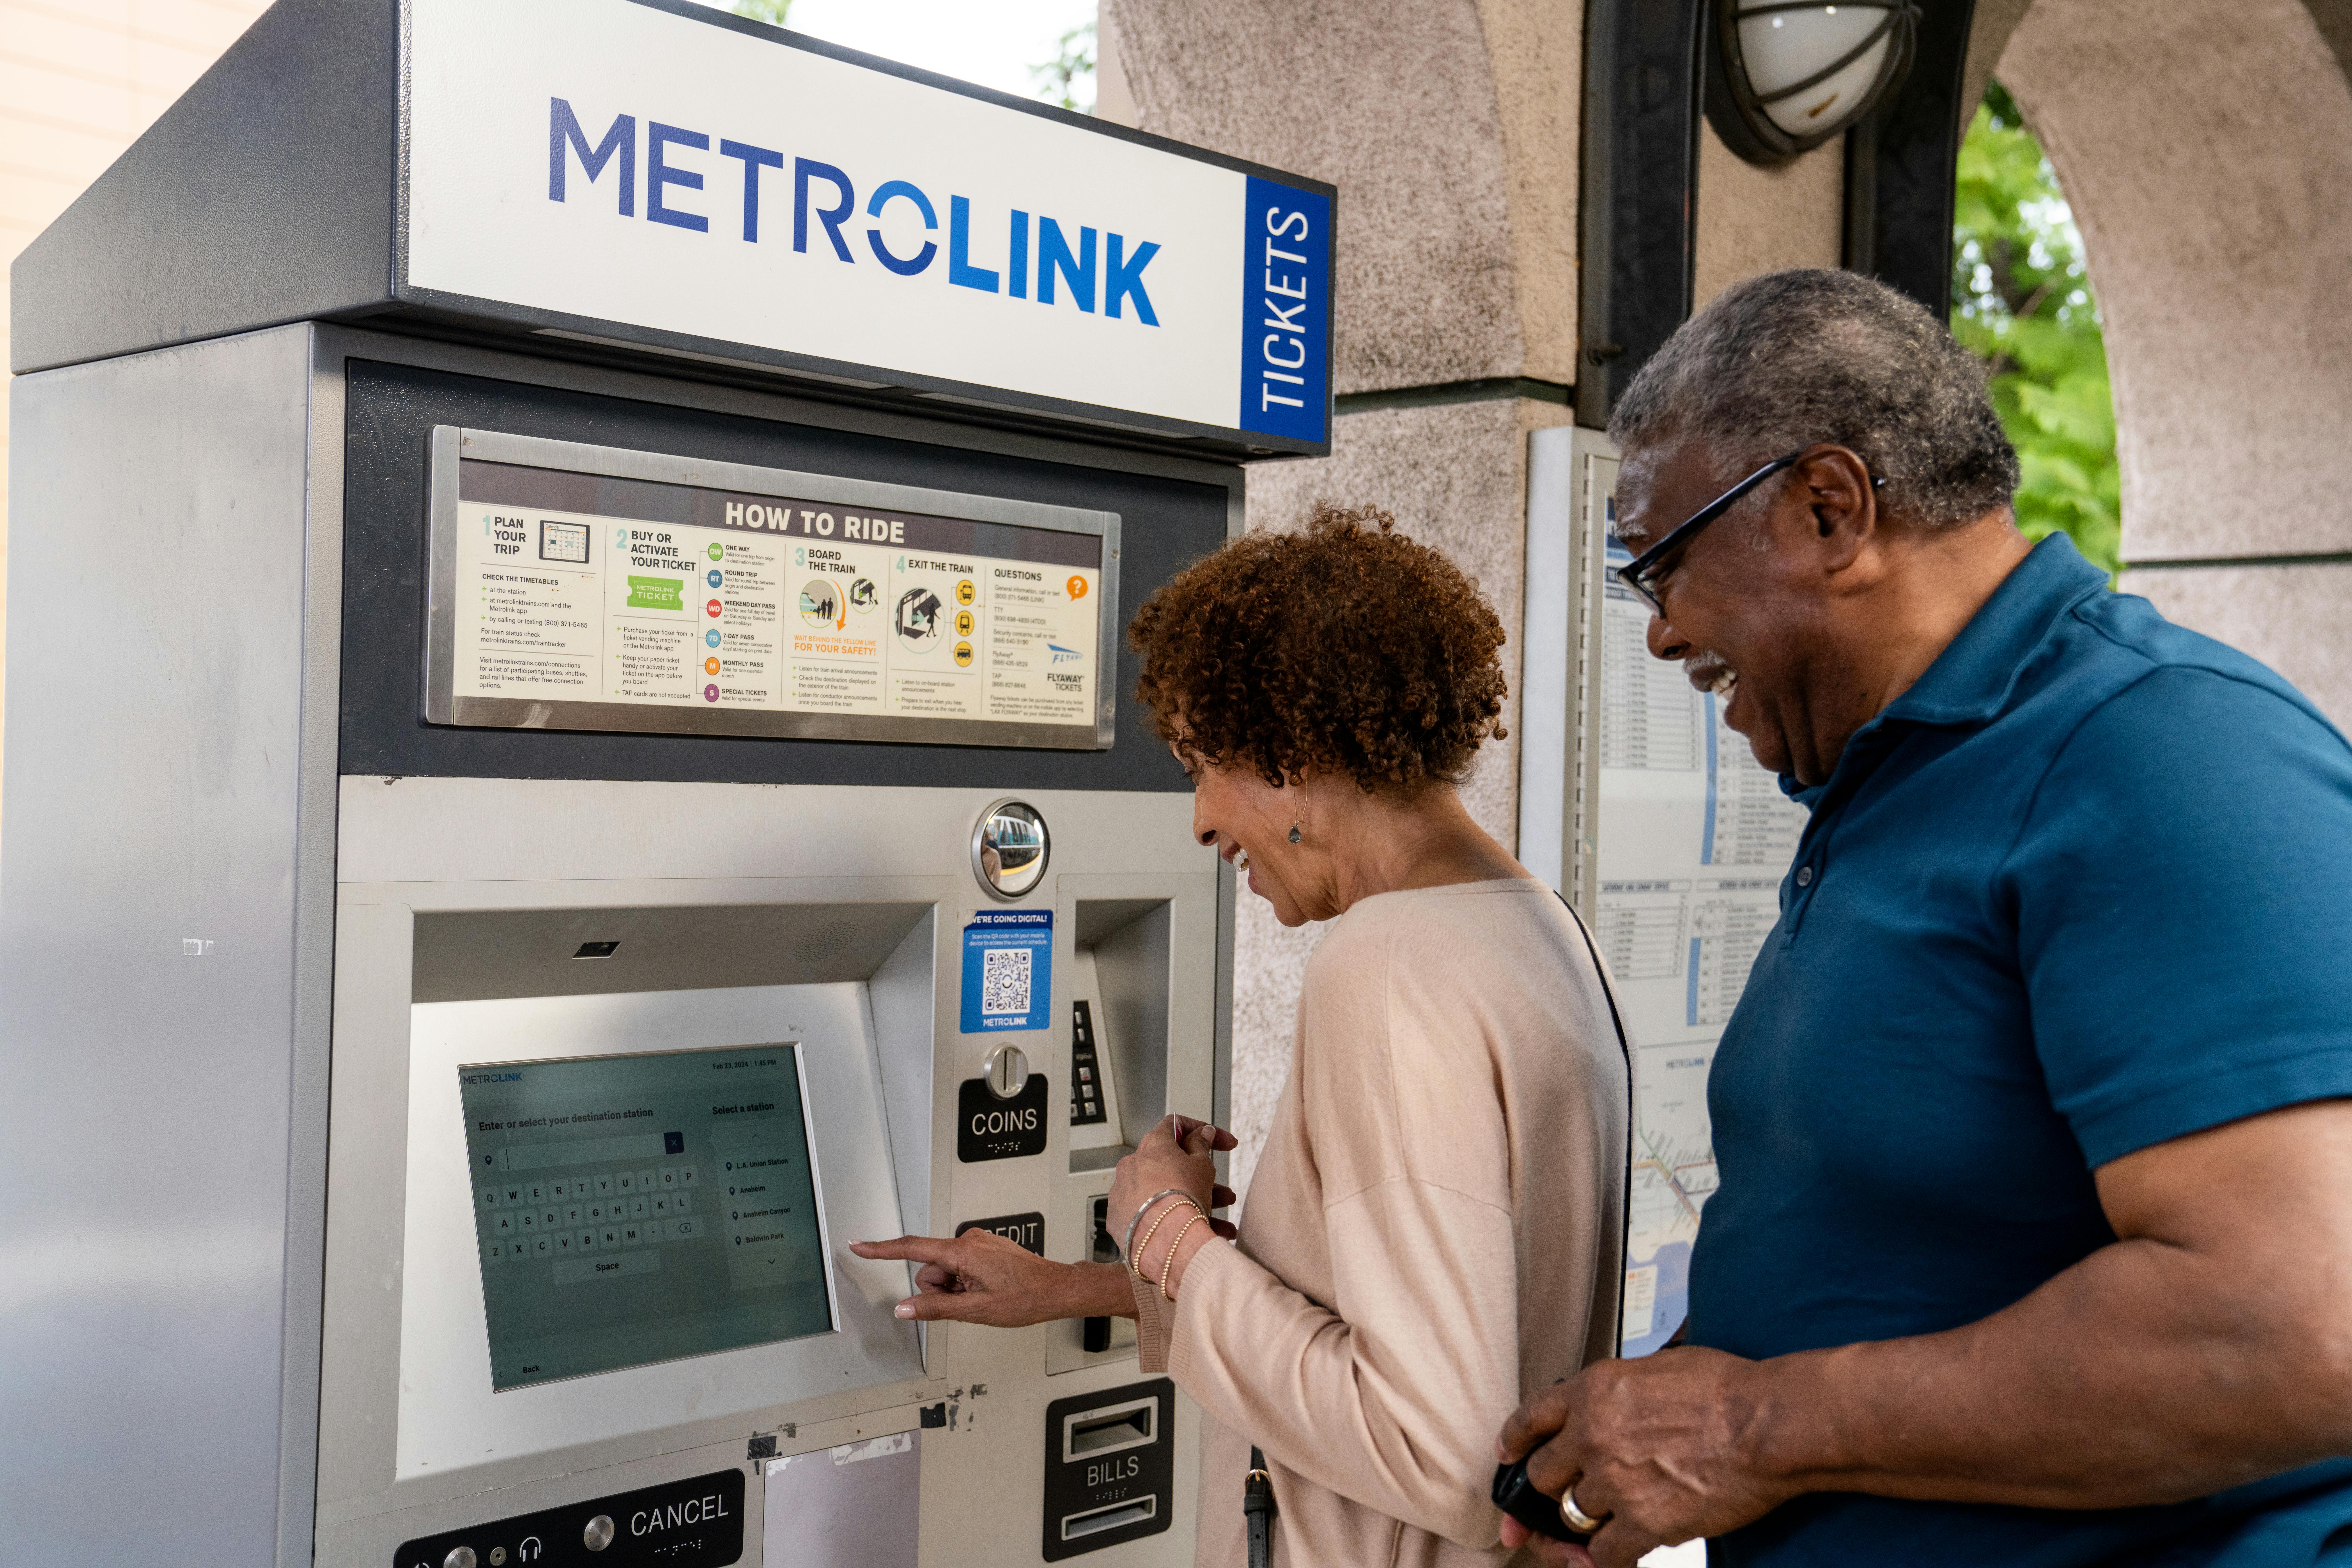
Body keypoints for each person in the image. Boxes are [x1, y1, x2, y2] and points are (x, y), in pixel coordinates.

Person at [1494, 268, 2352, 1567]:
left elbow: (2298, 1324)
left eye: (1659, 565)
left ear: (1829, 508)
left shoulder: (2157, 748)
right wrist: (1652, 1428)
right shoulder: (1887, 779)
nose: (1660, 634)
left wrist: (1750, 1423)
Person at [854, 505, 1629, 1567]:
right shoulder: (1536, 929)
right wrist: (1091, 1288)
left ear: (1291, 747)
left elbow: (1441, 1447)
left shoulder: (1390, 962)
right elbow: (1427, 1321)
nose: (1200, 821)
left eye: (1200, 763)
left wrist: (1164, 1228)